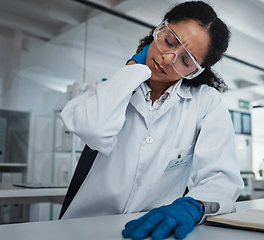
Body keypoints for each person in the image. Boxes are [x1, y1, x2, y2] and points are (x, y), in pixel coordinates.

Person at [60, 1, 244, 239]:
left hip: (155, 230)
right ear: (159, 30)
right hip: (82, 229)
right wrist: (133, 69)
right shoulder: (116, 88)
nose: (168, 59)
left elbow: (221, 177)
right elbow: (92, 129)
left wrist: (192, 206)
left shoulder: (206, 102)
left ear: (195, 71)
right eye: (168, 41)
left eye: (185, 61)